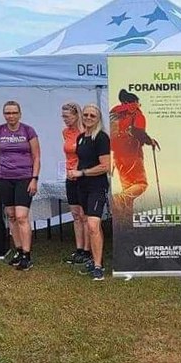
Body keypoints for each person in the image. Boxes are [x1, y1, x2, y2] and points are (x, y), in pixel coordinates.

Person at [0, 100, 41, 272]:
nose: (11, 116)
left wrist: (34, 178)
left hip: (24, 178)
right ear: (4, 114)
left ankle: (27, 255)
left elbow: (36, 156)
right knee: (11, 215)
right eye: (8, 113)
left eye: (14, 112)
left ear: (20, 114)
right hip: (4, 178)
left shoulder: (28, 131)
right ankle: (18, 250)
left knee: (21, 217)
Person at [66, 104, 111, 281]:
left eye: (92, 115)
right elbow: (82, 161)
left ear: (98, 118)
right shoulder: (81, 138)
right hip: (81, 187)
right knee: (92, 225)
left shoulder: (101, 137)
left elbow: (105, 166)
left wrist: (82, 173)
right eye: (86, 115)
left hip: (97, 187)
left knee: (93, 224)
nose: (88, 118)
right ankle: (95, 259)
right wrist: (74, 172)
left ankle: (98, 267)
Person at [109, 89, 159, 220]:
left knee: (129, 188)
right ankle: (118, 198)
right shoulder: (136, 113)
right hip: (132, 153)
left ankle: (127, 221)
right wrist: (150, 141)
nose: (138, 104)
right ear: (134, 101)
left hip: (117, 156)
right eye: (137, 102)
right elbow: (138, 132)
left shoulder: (115, 113)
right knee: (141, 184)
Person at [61, 102, 90, 265]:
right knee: (75, 215)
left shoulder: (85, 132)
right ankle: (79, 249)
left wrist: (79, 169)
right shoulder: (65, 132)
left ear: (76, 115)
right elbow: (68, 154)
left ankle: (87, 250)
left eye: (67, 116)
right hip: (70, 176)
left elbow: (87, 156)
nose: (65, 119)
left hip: (83, 176)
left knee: (84, 215)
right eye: (63, 116)